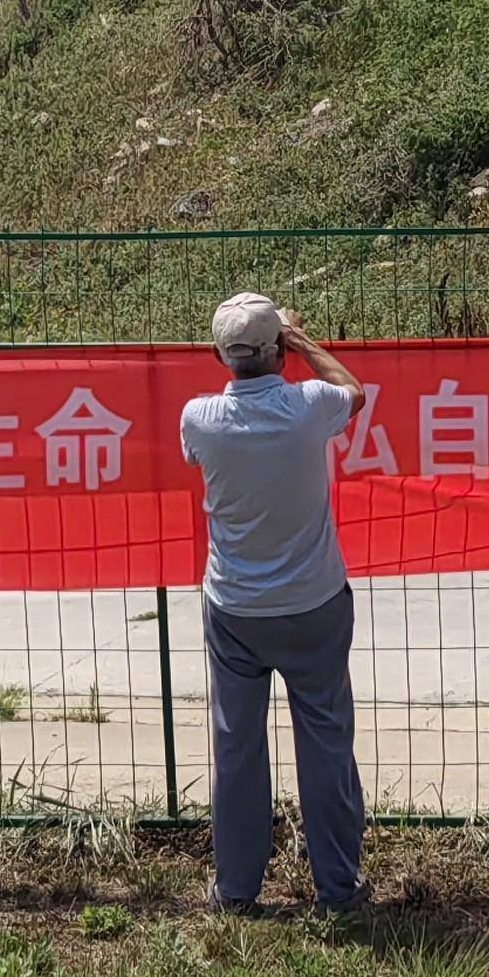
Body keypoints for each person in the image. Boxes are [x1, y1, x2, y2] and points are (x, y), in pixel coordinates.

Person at [177, 291, 370, 917]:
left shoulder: (199, 419)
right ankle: (337, 894)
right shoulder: (308, 407)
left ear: (220, 355)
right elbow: (353, 390)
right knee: (325, 743)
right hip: (314, 601)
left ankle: (236, 892)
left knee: (236, 748)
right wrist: (305, 341)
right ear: (278, 352)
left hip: (234, 606)